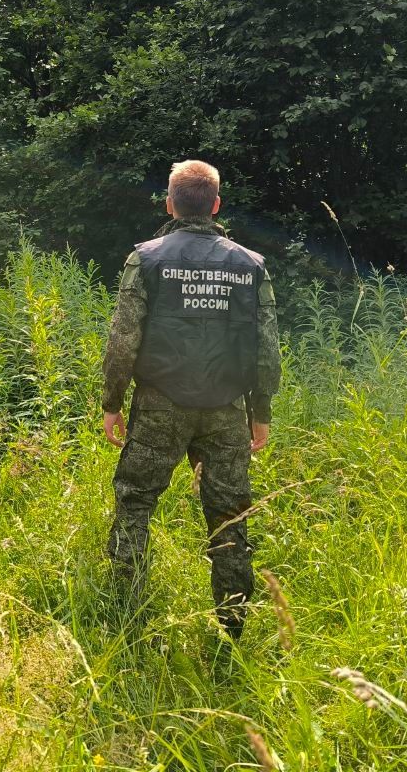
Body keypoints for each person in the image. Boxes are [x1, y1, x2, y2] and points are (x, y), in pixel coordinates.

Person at [101, 159, 281, 639]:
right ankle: (233, 626)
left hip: (161, 403)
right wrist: (260, 412)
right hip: (226, 409)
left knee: (135, 503)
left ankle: (126, 612)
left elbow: (123, 341)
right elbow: (267, 347)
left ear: (170, 203)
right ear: (216, 204)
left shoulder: (147, 259)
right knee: (229, 516)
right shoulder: (251, 266)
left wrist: (112, 402)